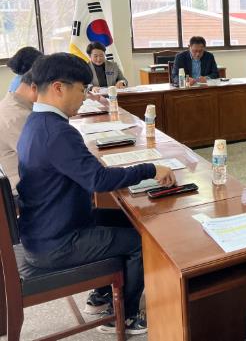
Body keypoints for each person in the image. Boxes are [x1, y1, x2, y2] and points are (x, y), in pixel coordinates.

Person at [16, 53, 176, 335]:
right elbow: (99, 180)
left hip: (47, 227)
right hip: (57, 243)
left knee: (133, 222)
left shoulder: (36, 122)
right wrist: (150, 169)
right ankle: (124, 316)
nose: (85, 97)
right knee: (141, 241)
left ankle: (102, 294)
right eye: (82, 89)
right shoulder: (57, 132)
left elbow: (82, 171)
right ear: (58, 88)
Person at [0, 71, 38, 192]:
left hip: (28, 179)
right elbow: (43, 158)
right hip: (23, 188)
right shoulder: (17, 116)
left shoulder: (13, 102)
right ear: (34, 87)